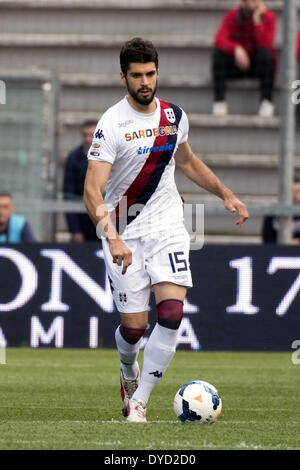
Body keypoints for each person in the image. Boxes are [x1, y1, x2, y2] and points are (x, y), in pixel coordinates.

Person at [84, 37, 248, 423]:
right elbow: (92, 192)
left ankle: (139, 402)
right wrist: (113, 237)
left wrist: (225, 193)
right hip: (123, 232)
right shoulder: (112, 124)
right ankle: (128, 370)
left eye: (151, 74)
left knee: (172, 312)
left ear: (158, 72)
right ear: (123, 76)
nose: (145, 82)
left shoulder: (174, 117)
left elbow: (188, 162)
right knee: (134, 328)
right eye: (137, 75)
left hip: (169, 227)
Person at [212, 0, 277, 117]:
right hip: (237, 65)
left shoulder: (268, 17)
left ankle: (266, 102)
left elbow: (266, 44)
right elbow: (219, 39)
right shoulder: (232, 16)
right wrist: (236, 48)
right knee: (218, 55)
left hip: (257, 66)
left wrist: (257, 21)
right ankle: (219, 101)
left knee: (267, 56)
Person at [63, 120, 100, 242]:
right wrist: (75, 230)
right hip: (84, 221)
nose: (88, 139)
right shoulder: (73, 158)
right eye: (85, 135)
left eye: (92, 135)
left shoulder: (111, 155)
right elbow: (69, 194)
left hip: (108, 220)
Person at [262, 178, 300, 244]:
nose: (296, 195)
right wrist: (285, 242)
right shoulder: (273, 212)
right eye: (293, 192)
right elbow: (267, 238)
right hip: (278, 251)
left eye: (299, 191)